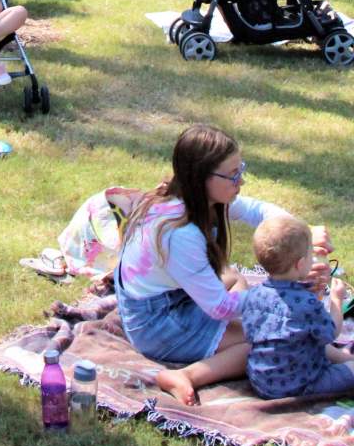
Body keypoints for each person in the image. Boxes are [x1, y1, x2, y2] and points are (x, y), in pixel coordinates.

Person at [115, 124, 332, 406]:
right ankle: (186, 376)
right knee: (270, 342)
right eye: (232, 175)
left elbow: (259, 211)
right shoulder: (181, 233)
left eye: (240, 169)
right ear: (201, 177)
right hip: (158, 323)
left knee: (235, 278)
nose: (240, 181)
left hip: (173, 298)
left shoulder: (197, 197)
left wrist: (302, 230)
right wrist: (280, 295)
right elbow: (219, 307)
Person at [242, 216, 354, 399]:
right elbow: (330, 333)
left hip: (261, 382)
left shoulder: (254, 294)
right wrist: (336, 300)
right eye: (311, 255)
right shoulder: (306, 303)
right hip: (302, 384)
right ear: (300, 264)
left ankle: (342, 358)